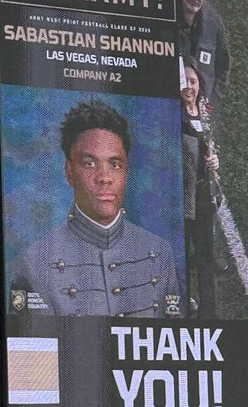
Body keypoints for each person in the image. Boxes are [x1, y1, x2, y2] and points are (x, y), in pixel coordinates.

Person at [10, 99, 180, 317]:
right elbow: (33, 351)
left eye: (115, 164)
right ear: (69, 171)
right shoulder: (33, 264)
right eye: (89, 163)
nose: (105, 178)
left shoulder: (160, 252)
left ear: (126, 172)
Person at [180, 59, 221, 316]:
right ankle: (184, 305)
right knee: (182, 257)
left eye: (193, 81)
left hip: (205, 196)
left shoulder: (205, 113)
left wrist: (215, 160)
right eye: (184, 82)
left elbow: (210, 146)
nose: (189, 88)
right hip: (183, 197)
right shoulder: (172, 115)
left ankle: (210, 312)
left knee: (206, 256)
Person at [177, 0, 231, 107]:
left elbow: (224, 66)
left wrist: (213, 101)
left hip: (202, 108)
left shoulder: (214, 23)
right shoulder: (164, 12)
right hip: (170, 103)